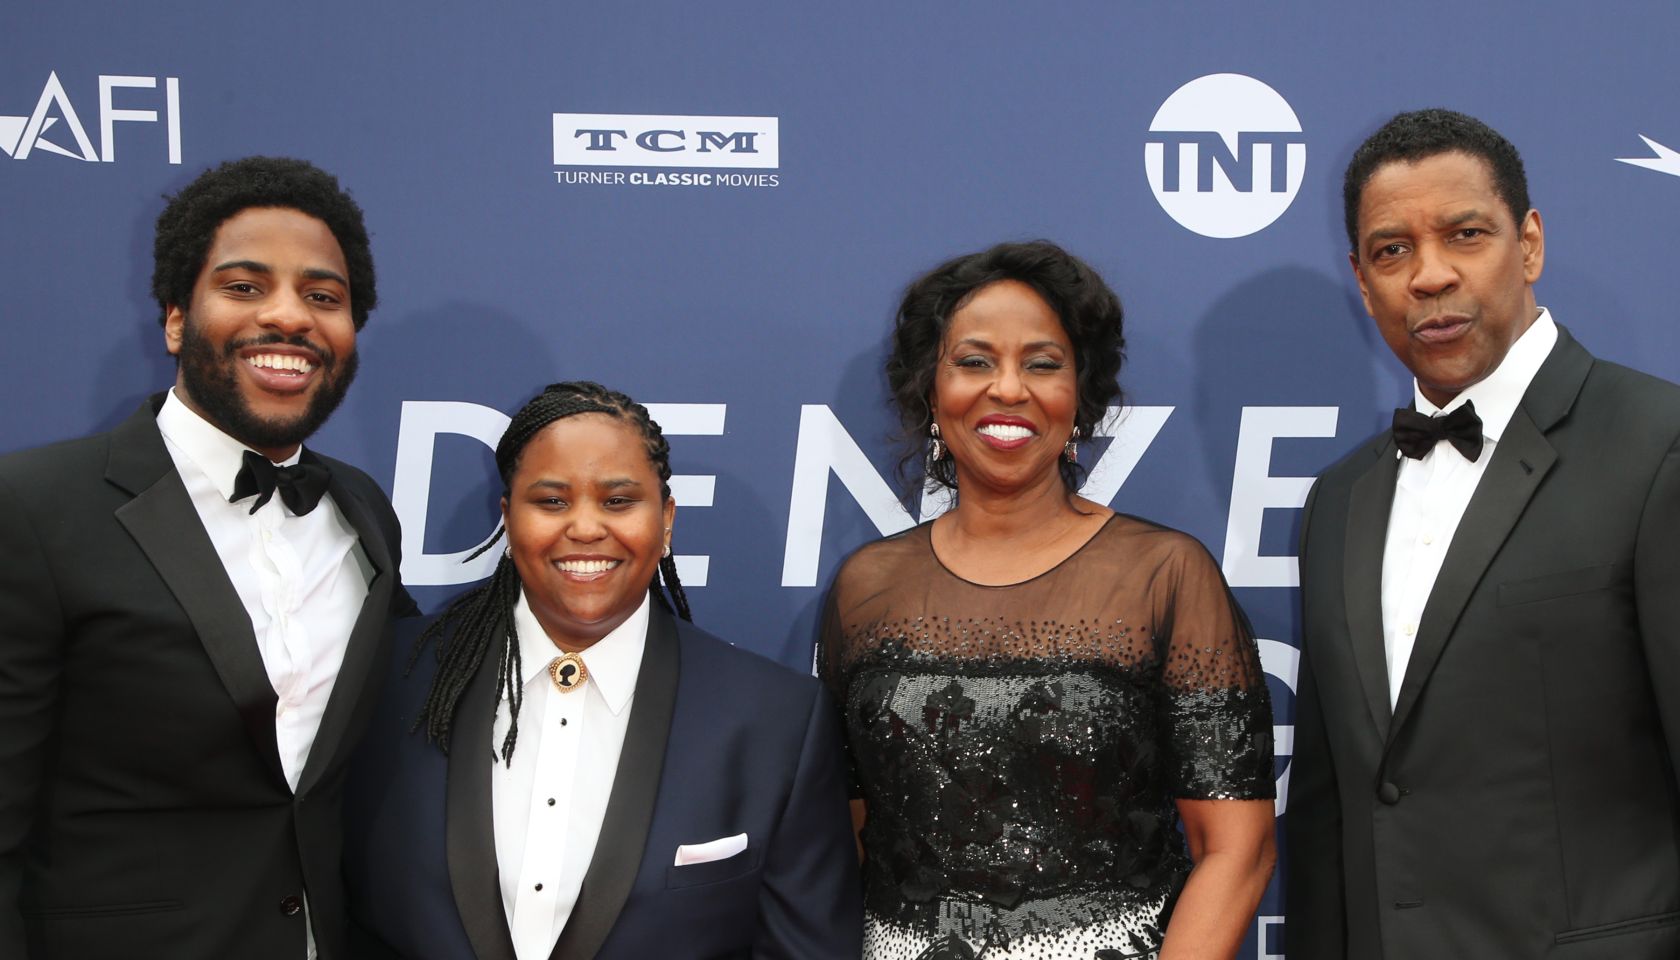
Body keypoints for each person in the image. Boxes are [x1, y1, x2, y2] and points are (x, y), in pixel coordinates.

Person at [0, 157, 416, 959]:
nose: (291, 318)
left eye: (323, 297)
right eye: (246, 286)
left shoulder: (362, 512)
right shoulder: (33, 508)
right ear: (176, 319)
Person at [1288, 108, 1680, 958]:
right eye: (1392, 251)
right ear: (1362, 281)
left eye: (1465, 235)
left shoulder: (1659, 446)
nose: (1429, 277)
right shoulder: (1338, 501)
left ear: (1529, 243)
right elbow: (1329, 819)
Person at [820, 241, 1276, 960]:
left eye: (1042, 363)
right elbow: (845, 840)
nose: (1008, 389)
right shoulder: (866, 589)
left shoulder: (1164, 574)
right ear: (930, 390)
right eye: (974, 362)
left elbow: (1237, 850)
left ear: (1079, 393)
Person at [344, 381, 862, 960]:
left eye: (618, 501)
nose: (586, 528)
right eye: (552, 501)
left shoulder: (777, 720)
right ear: (507, 520)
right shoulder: (394, 676)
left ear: (666, 520)